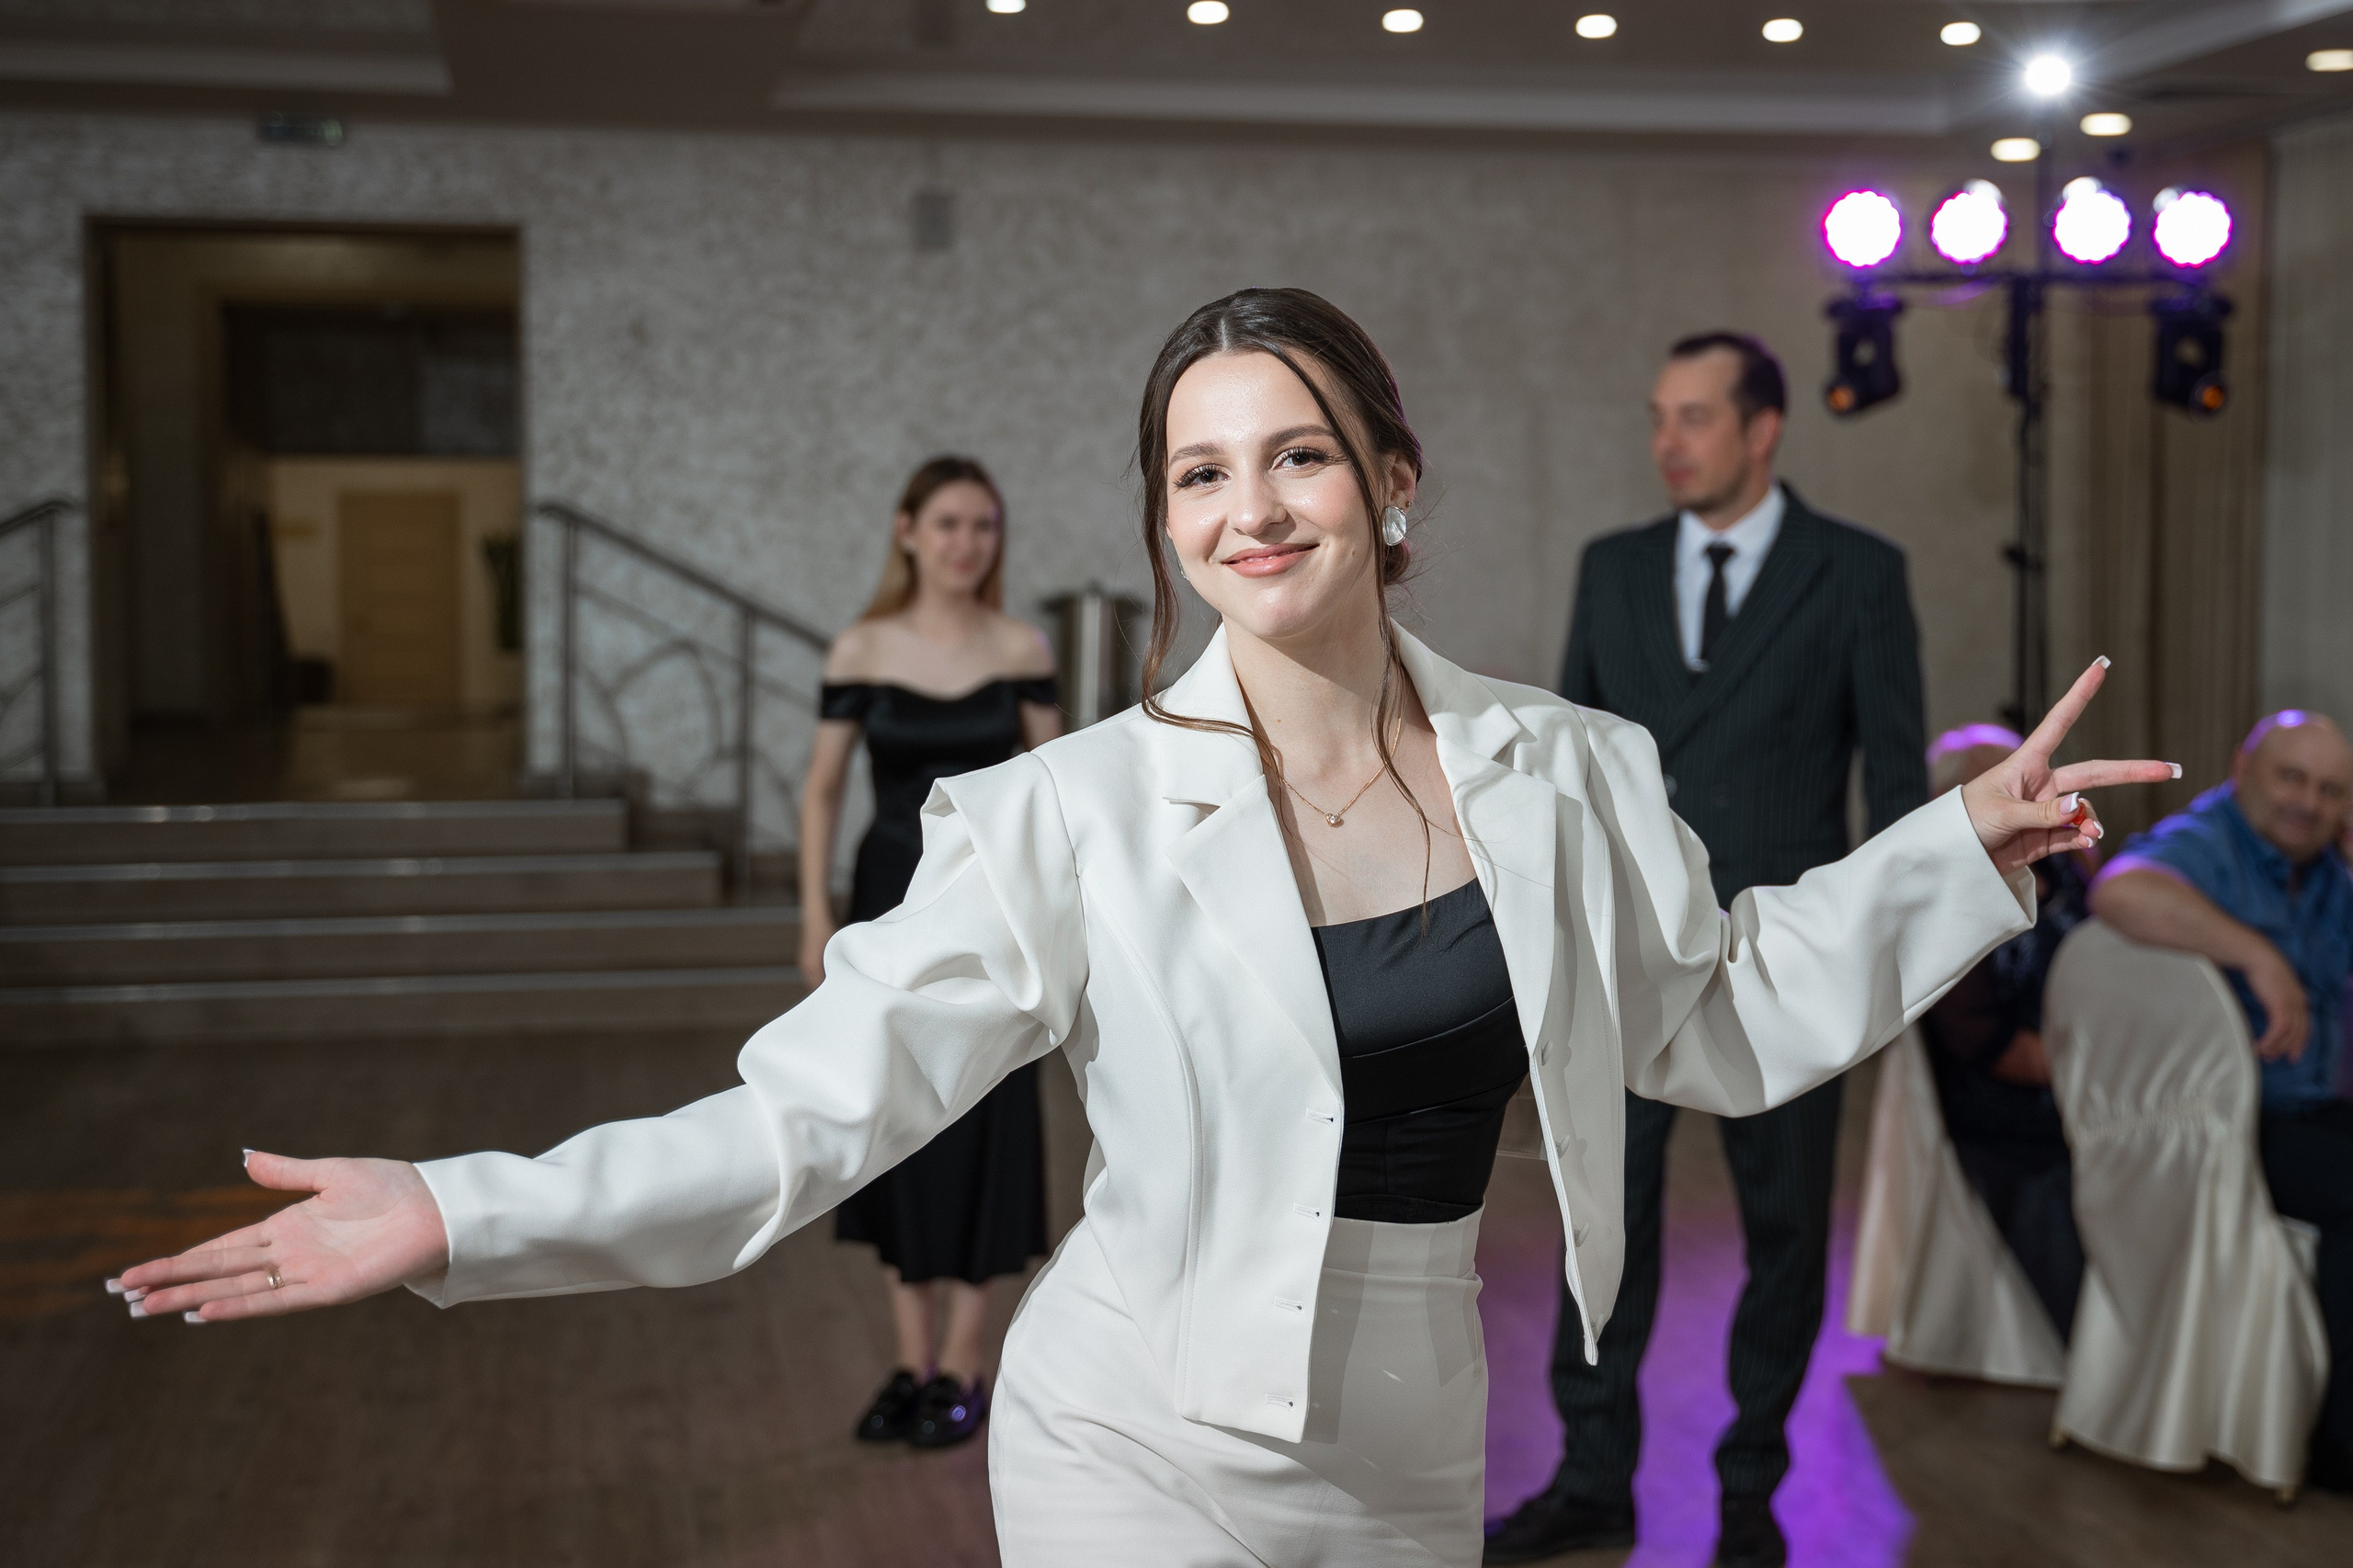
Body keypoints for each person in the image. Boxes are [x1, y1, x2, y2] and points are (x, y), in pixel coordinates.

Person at [109, 289, 2161, 1568]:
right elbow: (800, 1122)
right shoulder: (1055, 814)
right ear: (1164, 519)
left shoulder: (1570, 766)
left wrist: (1956, 846)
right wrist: (457, 1210)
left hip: (1417, 1424)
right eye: (1197, 472)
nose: (1248, 506)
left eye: (1293, 455)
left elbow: (1716, 1014)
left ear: (1389, 482)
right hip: (1129, 1430)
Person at [1489, 332, 1929, 1568]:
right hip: (1628, 952)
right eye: (1658, 416)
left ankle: (1750, 1491)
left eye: (1694, 416)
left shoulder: (1857, 572)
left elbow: (1895, 786)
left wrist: (1876, 963)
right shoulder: (1612, 565)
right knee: (1601, 1224)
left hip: (1782, 965)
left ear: (1762, 428)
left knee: (1786, 1230)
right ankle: (1592, 1481)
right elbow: (1572, 770)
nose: (1668, 441)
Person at [797, 454, 1062, 1449]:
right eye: (947, 523)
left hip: (988, 914)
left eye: (983, 526)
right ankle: (909, 1361)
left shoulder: (1018, 642)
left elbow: (1053, 789)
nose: (965, 543)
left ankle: (965, 1359)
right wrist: (811, 919)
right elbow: (820, 791)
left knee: (983, 1118)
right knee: (894, 1115)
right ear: (906, 530)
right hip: (884, 907)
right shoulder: (861, 647)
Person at [2087, 709, 2353, 1493]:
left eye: (2331, 790)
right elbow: (2121, 892)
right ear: (2245, 770)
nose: (2308, 801)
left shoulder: (2328, 871)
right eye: (2292, 777)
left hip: (2317, 1107)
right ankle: (2340, 1442)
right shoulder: (2211, 843)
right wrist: (2255, 954)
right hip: (2230, 1123)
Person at [1916, 725, 2089, 1341]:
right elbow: (1987, 1045)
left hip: (2081, 1074)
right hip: (2009, 1105)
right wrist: (2093, 1076)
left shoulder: (2068, 871)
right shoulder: (1944, 898)